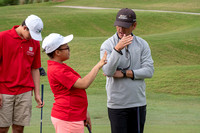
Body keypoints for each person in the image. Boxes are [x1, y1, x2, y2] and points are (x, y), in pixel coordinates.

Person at [100, 8, 154, 133]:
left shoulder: (142, 44)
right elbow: (108, 71)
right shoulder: (107, 45)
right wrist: (117, 49)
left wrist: (125, 73)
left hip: (138, 103)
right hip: (117, 105)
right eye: (118, 25)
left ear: (134, 26)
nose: (120, 30)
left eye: (124, 26)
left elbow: (149, 71)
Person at [42, 33, 107, 133]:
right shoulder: (58, 70)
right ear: (57, 52)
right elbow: (83, 84)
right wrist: (98, 65)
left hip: (72, 115)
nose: (69, 50)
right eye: (66, 48)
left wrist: (84, 112)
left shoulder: (60, 67)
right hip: (68, 117)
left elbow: (75, 91)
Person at [0, 14, 44, 133]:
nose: (32, 37)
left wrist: (37, 94)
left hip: (24, 91)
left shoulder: (34, 43)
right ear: (25, 28)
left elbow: (35, 69)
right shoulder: (2, 37)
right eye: (31, 34)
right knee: (2, 128)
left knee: (19, 128)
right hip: (4, 90)